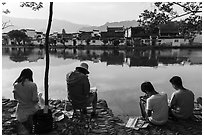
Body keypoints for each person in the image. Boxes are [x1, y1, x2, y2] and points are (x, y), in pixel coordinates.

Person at [13, 68, 39, 132]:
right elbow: (34, 99)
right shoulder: (33, 85)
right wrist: (38, 98)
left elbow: (15, 98)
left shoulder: (16, 85)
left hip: (20, 111)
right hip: (31, 110)